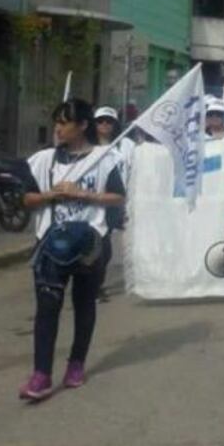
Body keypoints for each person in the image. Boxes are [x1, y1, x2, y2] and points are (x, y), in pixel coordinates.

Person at [18, 99, 126, 401]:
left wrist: (84, 193)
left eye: (64, 123)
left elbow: (118, 197)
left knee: (84, 304)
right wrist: (51, 194)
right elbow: (26, 199)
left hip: (91, 244)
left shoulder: (105, 159)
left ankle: (76, 364)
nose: (58, 128)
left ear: (82, 126)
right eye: (56, 122)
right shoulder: (43, 160)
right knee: (47, 308)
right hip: (51, 245)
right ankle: (41, 374)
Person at [92, 106, 134, 302]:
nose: (104, 125)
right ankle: (94, 286)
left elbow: (135, 170)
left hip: (116, 202)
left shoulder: (127, 146)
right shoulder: (88, 145)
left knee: (107, 247)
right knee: (98, 245)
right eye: (100, 121)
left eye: (109, 121)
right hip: (91, 202)